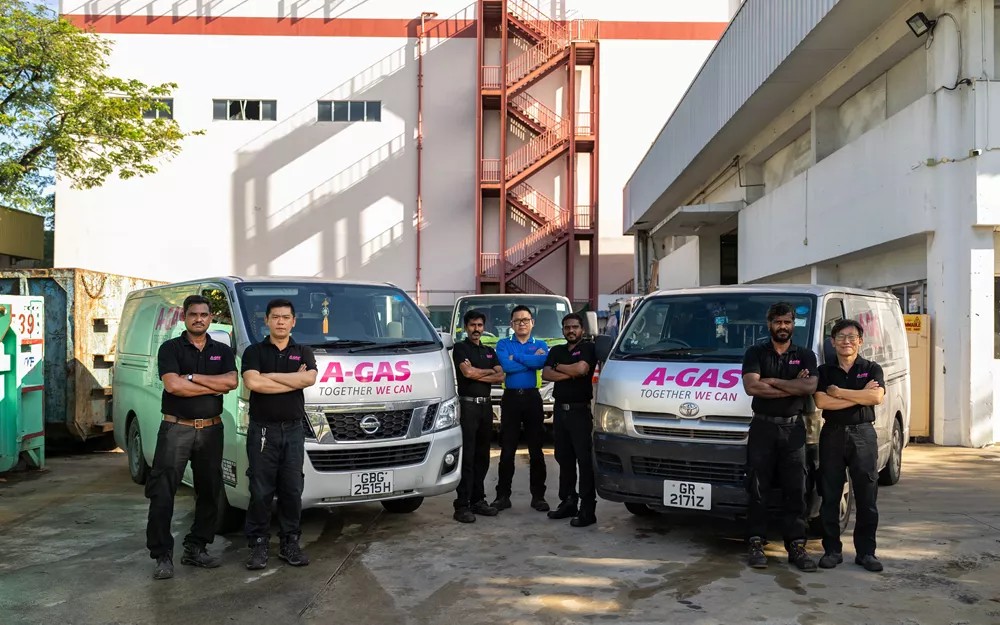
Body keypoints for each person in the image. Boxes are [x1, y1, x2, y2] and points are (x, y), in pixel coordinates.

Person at [146, 295, 238, 580]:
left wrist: (192, 378)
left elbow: (232, 383)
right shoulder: (170, 348)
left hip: (211, 429)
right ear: (184, 317)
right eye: (193, 314)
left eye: (204, 314)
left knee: (210, 490)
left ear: (211, 318)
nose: (199, 318)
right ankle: (162, 555)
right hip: (176, 428)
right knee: (163, 492)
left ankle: (196, 547)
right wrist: (211, 386)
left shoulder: (221, 351)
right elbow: (173, 386)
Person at [241, 298, 318, 570]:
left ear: (293, 321)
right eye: (276, 317)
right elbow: (253, 382)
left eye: (286, 317)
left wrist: (269, 377)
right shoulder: (254, 351)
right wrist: (291, 381)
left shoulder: (304, 350)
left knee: (292, 489)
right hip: (263, 431)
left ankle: (289, 543)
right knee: (260, 490)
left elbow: (308, 379)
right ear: (267, 321)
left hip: (294, 431)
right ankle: (258, 545)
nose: (281, 321)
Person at [741, 302, 818, 571]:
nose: (782, 327)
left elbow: (810, 386)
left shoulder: (806, 355)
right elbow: (752, 387)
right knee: (758, 486)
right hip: (762, 428)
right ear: (769, 324)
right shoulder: (755, 352)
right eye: (778, 322)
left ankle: (796, 545)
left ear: (793, 324)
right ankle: (755, 542)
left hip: (793, 428)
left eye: (787, 322)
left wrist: (772, 381)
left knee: (796, 487)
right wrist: (793, 387)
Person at [814, 319, 885, 572]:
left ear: (860, 341)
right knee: (830, 495)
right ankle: (832, 550)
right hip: (832, 434)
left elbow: (876, 397)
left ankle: (867, 553)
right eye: (841, 337)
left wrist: (840, 393)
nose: (847, 341)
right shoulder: (823, 371)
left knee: (867, 496)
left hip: (863, 435)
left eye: (852, 337)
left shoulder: (871, 368)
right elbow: (822, 402)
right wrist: (859, 396)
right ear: (832, 342)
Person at [541, 313, 598, 527]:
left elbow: (582, 368)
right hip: (560, 411)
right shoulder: (556, 350)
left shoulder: (588, 349)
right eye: (567, 327)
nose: (571, 331)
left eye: (575, 327)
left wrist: (560, 367)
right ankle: (568, 502)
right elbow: (546, 374)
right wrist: (571, 371)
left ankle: (587, 509)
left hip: (580, 412)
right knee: (563, 458)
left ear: (582, 329)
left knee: (584, 461)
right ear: (563, 330)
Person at [492, 305, 550, 512]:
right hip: (510, 400)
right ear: (511, 325)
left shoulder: (541, 344)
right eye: (517, 321)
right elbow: (506, 368)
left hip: (533, 398)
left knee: (536, 450)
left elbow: (542, 362)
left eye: (525, 320)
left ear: (532, 322)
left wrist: (517, 358)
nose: (522, 323)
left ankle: (538, 497)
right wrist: (531, 360)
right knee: (507, 450)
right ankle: (502, 496)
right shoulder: (503, 343)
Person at [451, 309, 505, 523]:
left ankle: (478, 500)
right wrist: (487, 372)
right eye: (472, 325)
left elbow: (501, 376)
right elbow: (467, 373)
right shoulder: (460, 348)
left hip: (486, 408)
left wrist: (478, 372)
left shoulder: (490, 351)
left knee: (483, 455)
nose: (476, 329)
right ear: (466, 327)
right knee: (468, 456)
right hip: (468, 408)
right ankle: (462, 504)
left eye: (480, 325)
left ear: (484, 328)